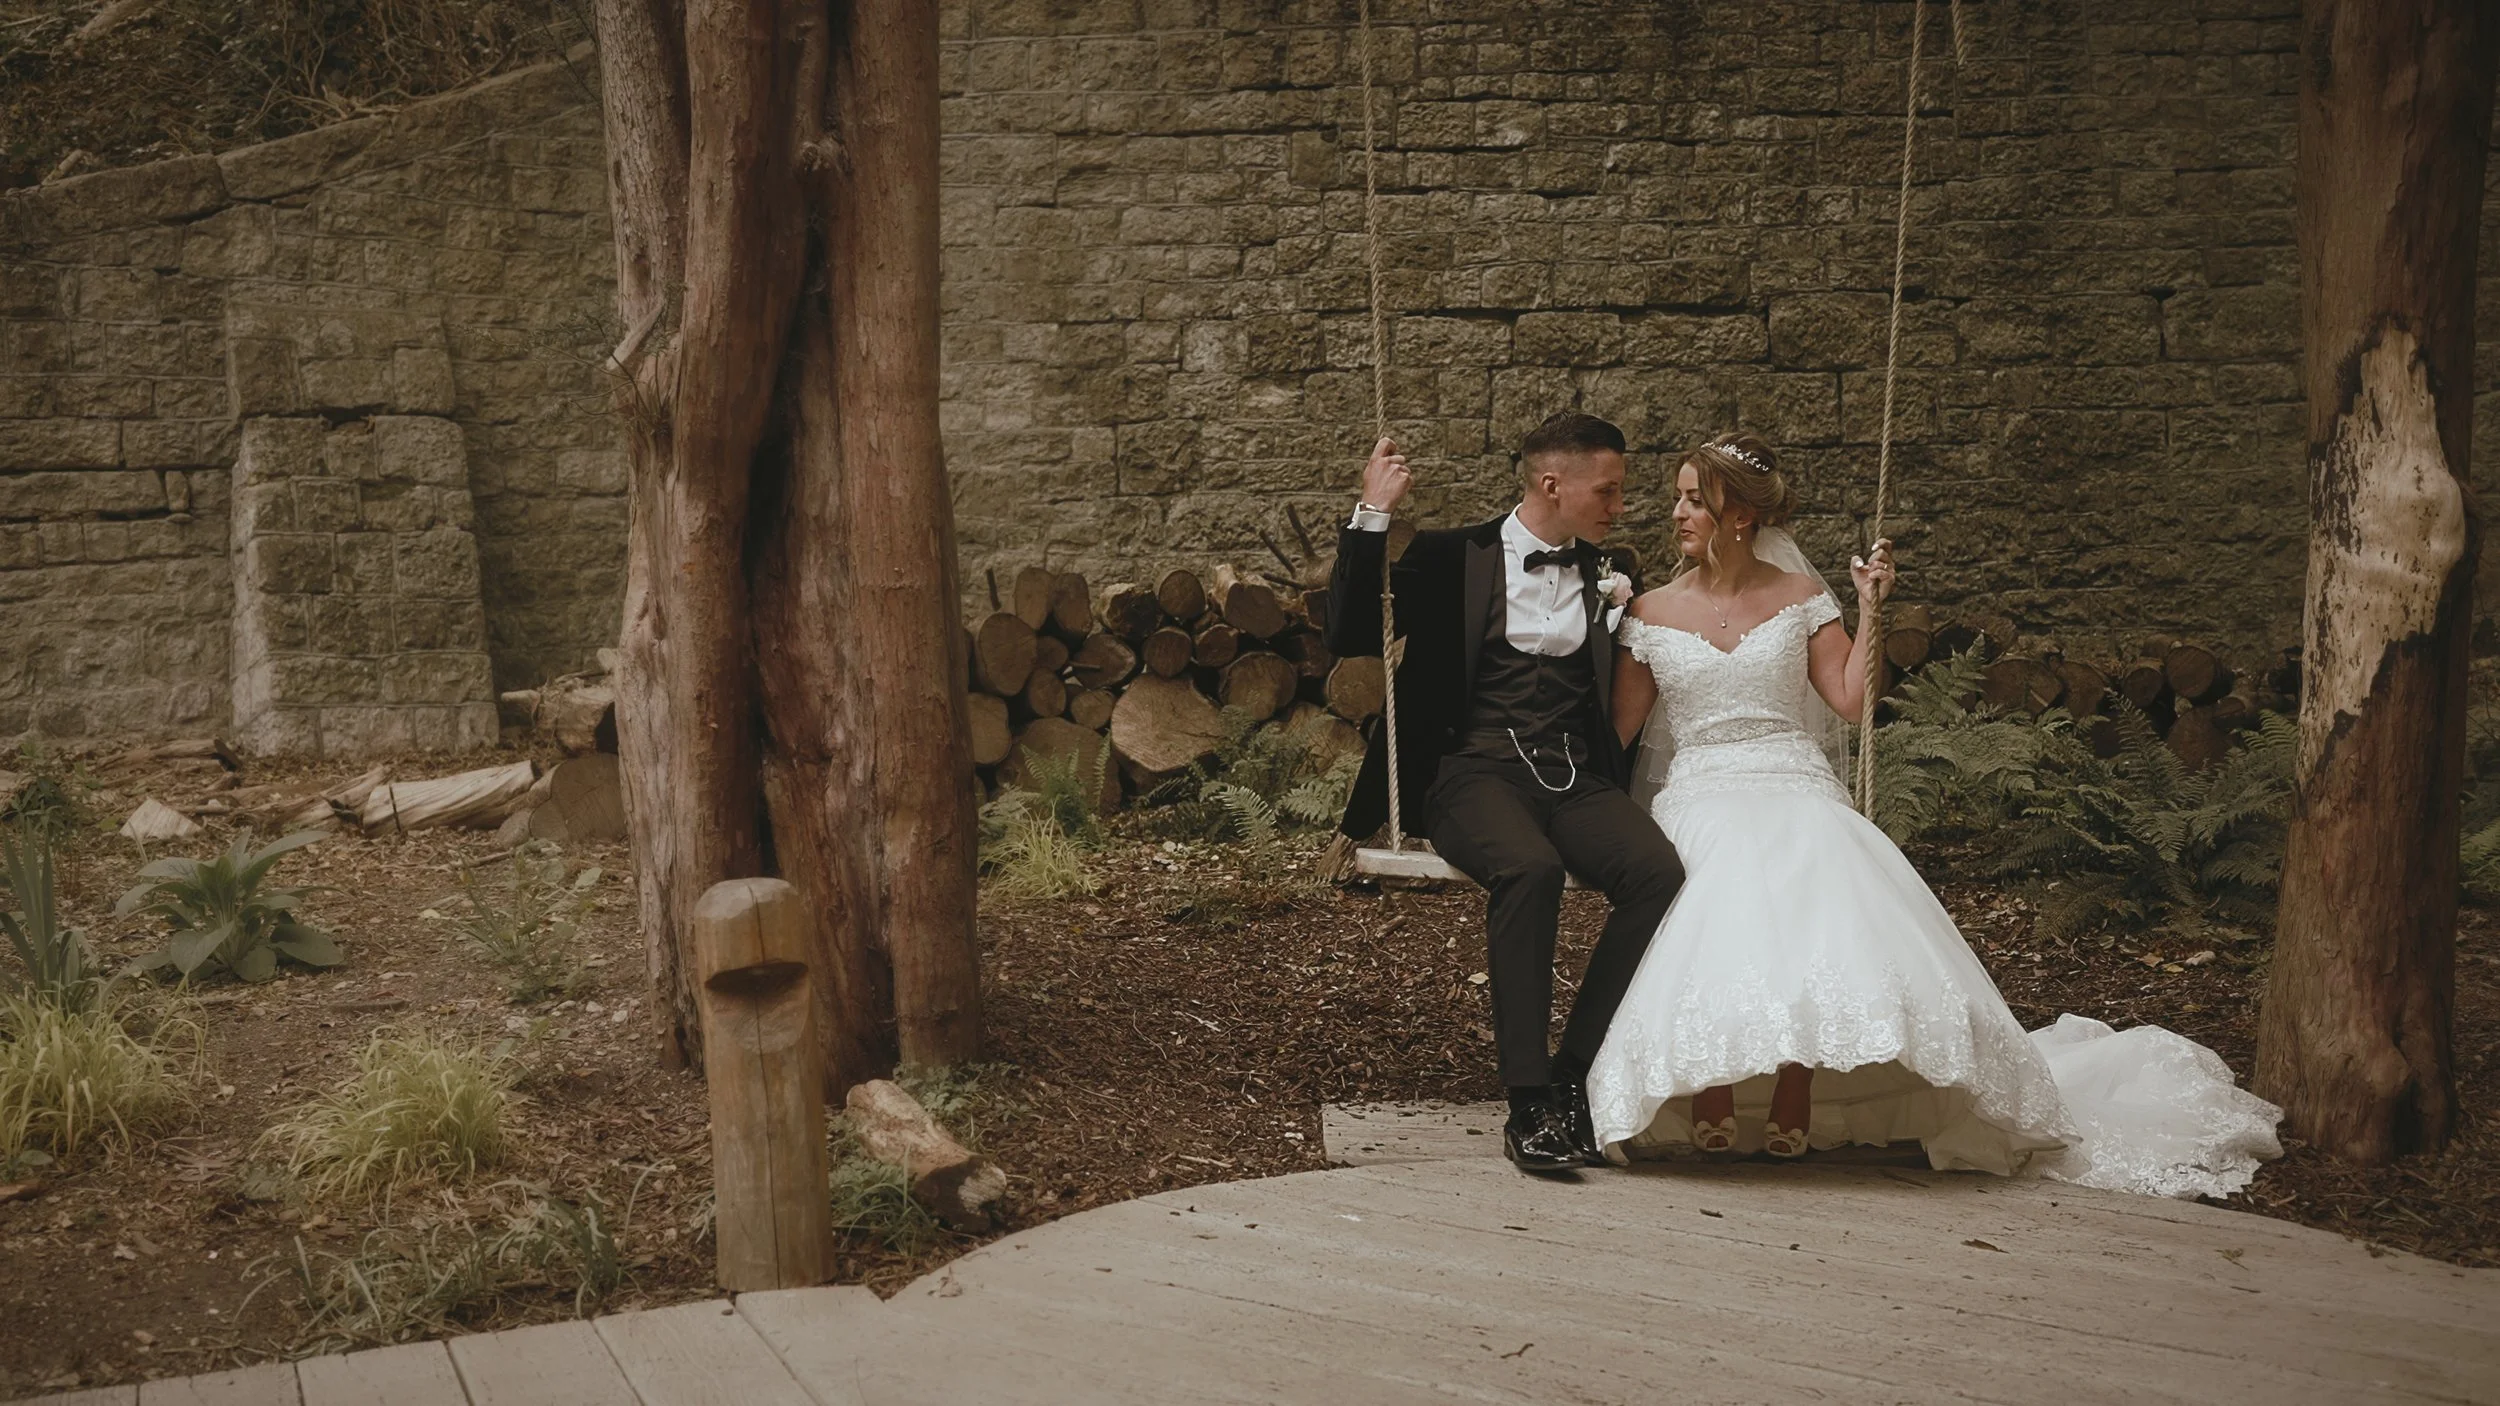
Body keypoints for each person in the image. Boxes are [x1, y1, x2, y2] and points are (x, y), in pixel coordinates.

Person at [1588, 432, 2282, 1197]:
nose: (1677, 511)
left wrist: (1868, 609)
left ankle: (1793, 1088)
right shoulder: (1649, 610)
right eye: (1680, 496)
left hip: (1791, 777)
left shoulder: (1799, 599)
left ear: (1741, 515)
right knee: (1717, 892)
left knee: (1803, 883)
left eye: (1694, 497)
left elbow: (1852, 701)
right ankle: (1712, 1087)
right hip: (1701, 787)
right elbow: (1616, 732)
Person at [1326, 412, 1685, 1175]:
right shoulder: (1451, 556)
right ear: (1553, 484)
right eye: (1608, 489)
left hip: (1572, 777)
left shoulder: (1609, 570)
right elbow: (1350, 631)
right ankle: (1528, 1103)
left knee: (1658, 873)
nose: (1619, 506)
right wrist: (1373, 513)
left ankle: (1572, 1073)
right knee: (1530, 869)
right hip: (1471, 772)